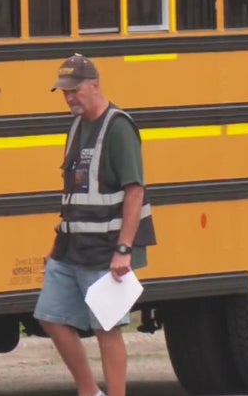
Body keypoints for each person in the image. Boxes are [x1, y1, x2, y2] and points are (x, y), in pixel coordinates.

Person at [33, 54, 156, 396]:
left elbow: (135, 191)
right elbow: (75, 193)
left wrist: (124, 249)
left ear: (95, 85)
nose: (69, 97)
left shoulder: (118, 128)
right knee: (49, 316)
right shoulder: (76, 125)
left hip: (105, 249)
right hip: (70, 247)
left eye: (74, 90)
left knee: (107, 326)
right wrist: (55, 247)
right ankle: (89, 390)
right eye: (64, 92)